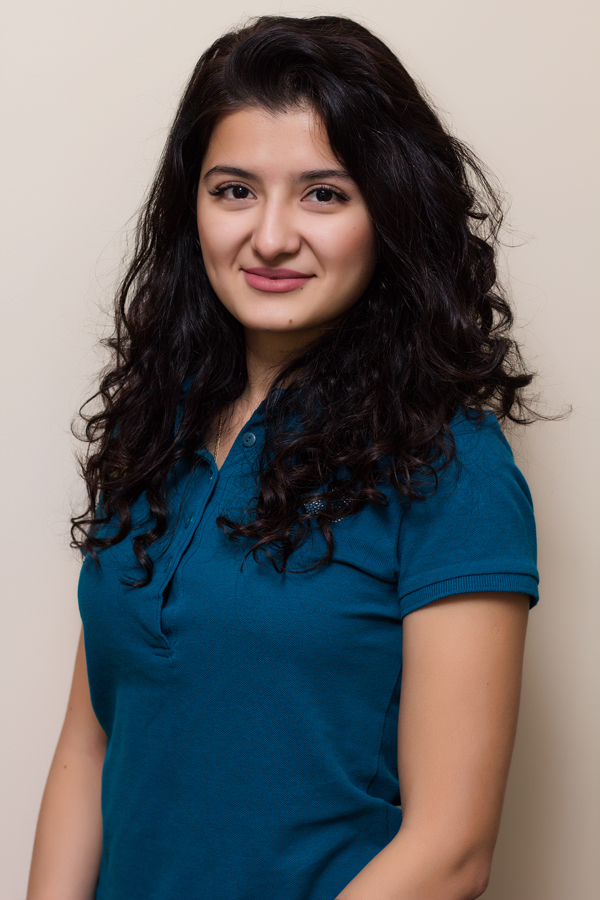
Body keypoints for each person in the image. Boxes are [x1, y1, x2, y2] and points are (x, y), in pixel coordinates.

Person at [27, 14, 540, 900]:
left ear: (391, 213)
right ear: (192, 209)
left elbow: (451, 850)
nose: (269, 237)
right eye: (234, 190)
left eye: (323, 195)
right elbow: (92, 744)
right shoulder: (152, 430)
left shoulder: (453, 467)